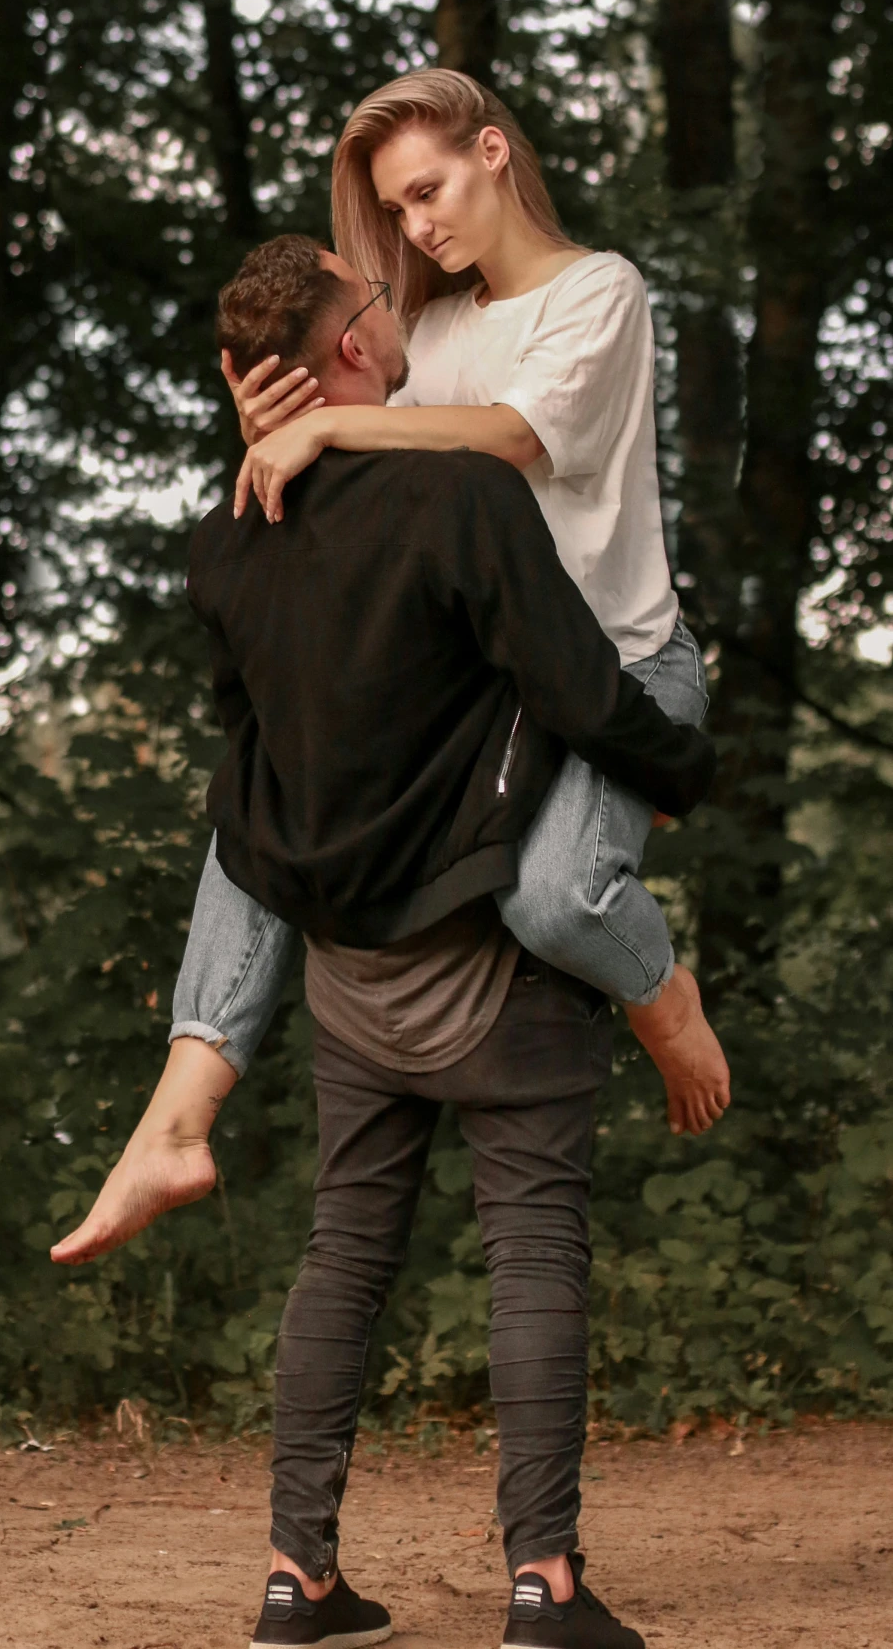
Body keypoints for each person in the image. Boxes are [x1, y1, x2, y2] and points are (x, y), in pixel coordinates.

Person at [70, 238, 717, 1648]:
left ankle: (295, 1579)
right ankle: (541, 1587)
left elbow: (249, 782)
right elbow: (574, 682)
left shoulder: (227, 542)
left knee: (343, 1257)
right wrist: (681, 768)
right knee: (534, 1250)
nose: (390, 299)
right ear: (346, 351)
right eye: (367, 298)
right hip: (491, 964)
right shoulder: (462, 496)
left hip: (348, 981)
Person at [52, 69, 728, 1269]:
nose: (418, 226)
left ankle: (665, 1003)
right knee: (264, 803)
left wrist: (329, 426)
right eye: (397, 210)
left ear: (492, 152)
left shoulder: (597, 292)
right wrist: (273, 434)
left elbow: (513, 440)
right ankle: (176, 1117)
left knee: (554, 898)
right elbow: (367, 480)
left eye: (430, 190)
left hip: (619, 668)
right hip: (499, 693)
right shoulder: (433, 334)